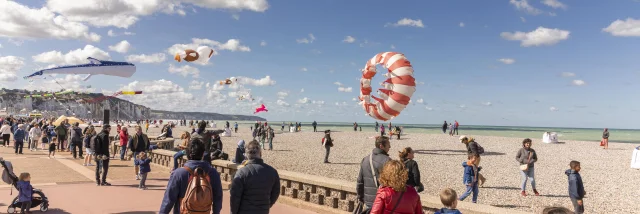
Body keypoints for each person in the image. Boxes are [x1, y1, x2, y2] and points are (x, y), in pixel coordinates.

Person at [159, 138, 223, 214]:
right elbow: (218, 198)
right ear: (203, 154)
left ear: (187, 153)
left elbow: (169, 199)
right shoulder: (213, 173)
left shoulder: (179, 173)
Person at [230, 140, 280, 214]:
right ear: (260, 153)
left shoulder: (241, 173)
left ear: (246, 155)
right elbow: (276, 192)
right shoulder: (272, 172)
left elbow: (234, 198)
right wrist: (267, 205)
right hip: (263, 210)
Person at [357, 136, 392, 212]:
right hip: (381, 202)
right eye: (388, 144)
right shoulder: (387, 161)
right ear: (381, 146)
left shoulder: (365, 159)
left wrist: (360, 198)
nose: (390, 147)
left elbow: (360, 182)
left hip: (368, 202)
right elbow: (392, 184)